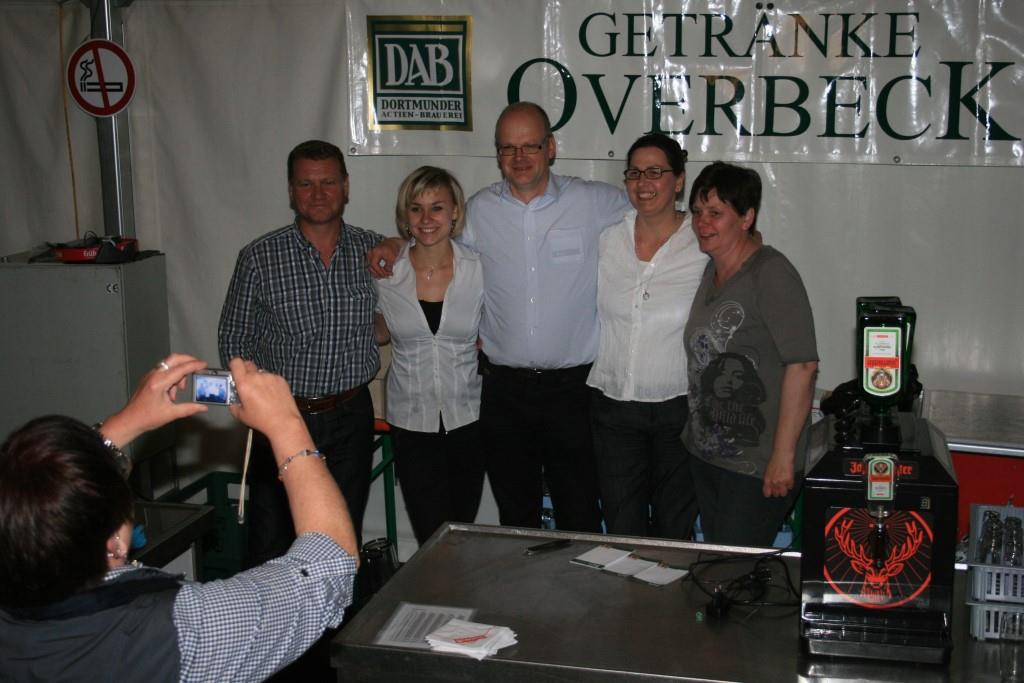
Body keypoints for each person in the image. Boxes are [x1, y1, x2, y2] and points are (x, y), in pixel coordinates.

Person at [0, 354, 359, 682]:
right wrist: (286, 425)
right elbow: (330, 562)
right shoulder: (182, 630)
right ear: (114, 544)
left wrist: (123, 425)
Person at [372, 102, 630, 532]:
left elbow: (656, 213)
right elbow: (431, 237)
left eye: (530, 145)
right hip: (503, 392)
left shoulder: (593, 201)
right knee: (516, 517)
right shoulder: (478, 211)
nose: (519, 157)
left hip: (574, 391)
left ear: (551, 147)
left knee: (580, 510)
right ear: (497, 154)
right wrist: (394, 243)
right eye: (508, 147)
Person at [219, 140, 383, 565]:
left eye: (328, 182)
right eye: (306, 184)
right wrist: (256, 406)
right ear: (291, 190)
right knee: (270, 542)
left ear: (346, 186)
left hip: (350, 417)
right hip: (282, 417)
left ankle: (338, 612)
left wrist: (400, 245)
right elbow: (234, 340)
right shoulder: (259, 257)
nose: (318, 193)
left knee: (341, 540)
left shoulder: (374, 251)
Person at [682, 161, 819, 547]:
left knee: (732, 570)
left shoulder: (771, 273)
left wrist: (782, 457)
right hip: (708, 457)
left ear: (746, 217)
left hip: (755, 466)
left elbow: (803, 365)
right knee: (718, 569)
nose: (702, 223)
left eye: (715, 213)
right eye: (697, 212)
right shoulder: (711, 270)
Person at [586, 133, 706, 539]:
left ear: (679, 180)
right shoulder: (607, 239)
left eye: (655, 172)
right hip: (613, 408)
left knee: (674, 530)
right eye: (634, 173)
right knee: (622, 529)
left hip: (679, 408)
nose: (643, 183)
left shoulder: (703, 243)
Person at [373, 167, 485, 545]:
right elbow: (377, 330)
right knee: (430, 534)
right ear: (405, 216)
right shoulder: (385, 272)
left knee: (462, 530)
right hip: (411, 422)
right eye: (416, 208)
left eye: (437, 207)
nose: (426, 218)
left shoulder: (479, 269)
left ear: (455, 212)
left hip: (469, 417)